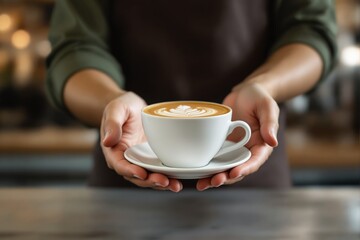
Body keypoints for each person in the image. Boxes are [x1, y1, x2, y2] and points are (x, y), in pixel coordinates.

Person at [46, 0, 337, 192]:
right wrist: (111, 102)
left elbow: (311, 30)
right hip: (127, 183)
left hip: (253, 184)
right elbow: (75, 49)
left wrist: (265, 85)